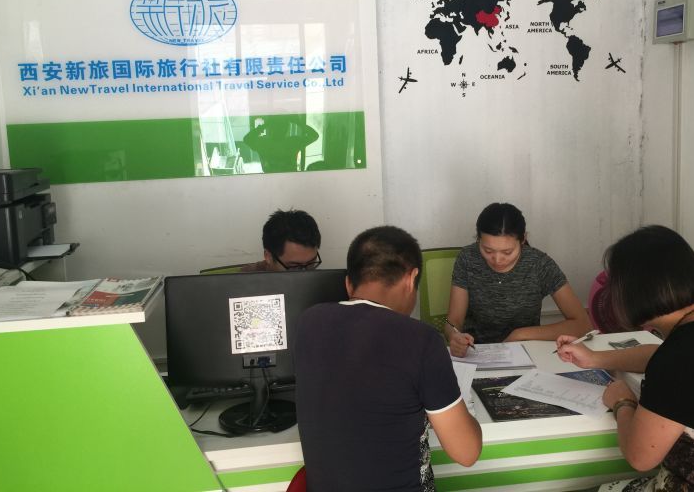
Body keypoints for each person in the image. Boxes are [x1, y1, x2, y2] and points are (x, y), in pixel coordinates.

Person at [556, 225, 694, 491]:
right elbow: (661, 355)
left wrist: (621, 401)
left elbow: (640, 457)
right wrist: (594, 358)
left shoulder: (680, 358)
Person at [295, 225, 482, 491]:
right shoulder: (421, 339)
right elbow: (467, 453)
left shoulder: (308, 323)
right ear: (411, 278)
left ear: (348, 283)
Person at [446, 202, 591, 357]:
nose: (497, 260)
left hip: (526, 352)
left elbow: (583, 324)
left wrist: (521, 334)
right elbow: (453, 320)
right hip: (476, 352)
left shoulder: (539, 264)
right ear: (478, 239)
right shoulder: (467, 259)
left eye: (507, 252)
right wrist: (454, 336)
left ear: (523, 240)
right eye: (488, 250)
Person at [240, 209, 322, 272]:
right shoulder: (240, 283)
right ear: (268, 256)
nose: (305, 274)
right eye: (294, 267)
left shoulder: (320, 282)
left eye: (311, 263)